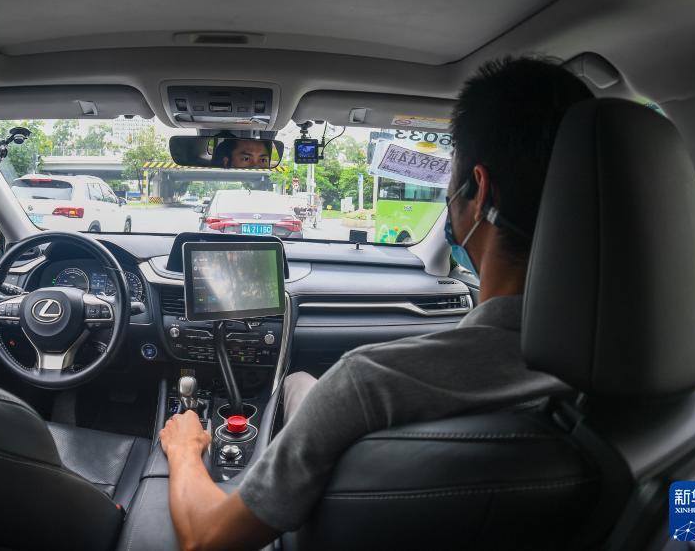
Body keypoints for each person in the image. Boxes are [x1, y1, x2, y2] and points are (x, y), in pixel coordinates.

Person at [159, 56, 596, 550]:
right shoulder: (647, 383)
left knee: (302, 387)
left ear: (479, 191)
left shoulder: (368, 383)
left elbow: (206, 539)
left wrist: (185, 447)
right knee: (299, 384)